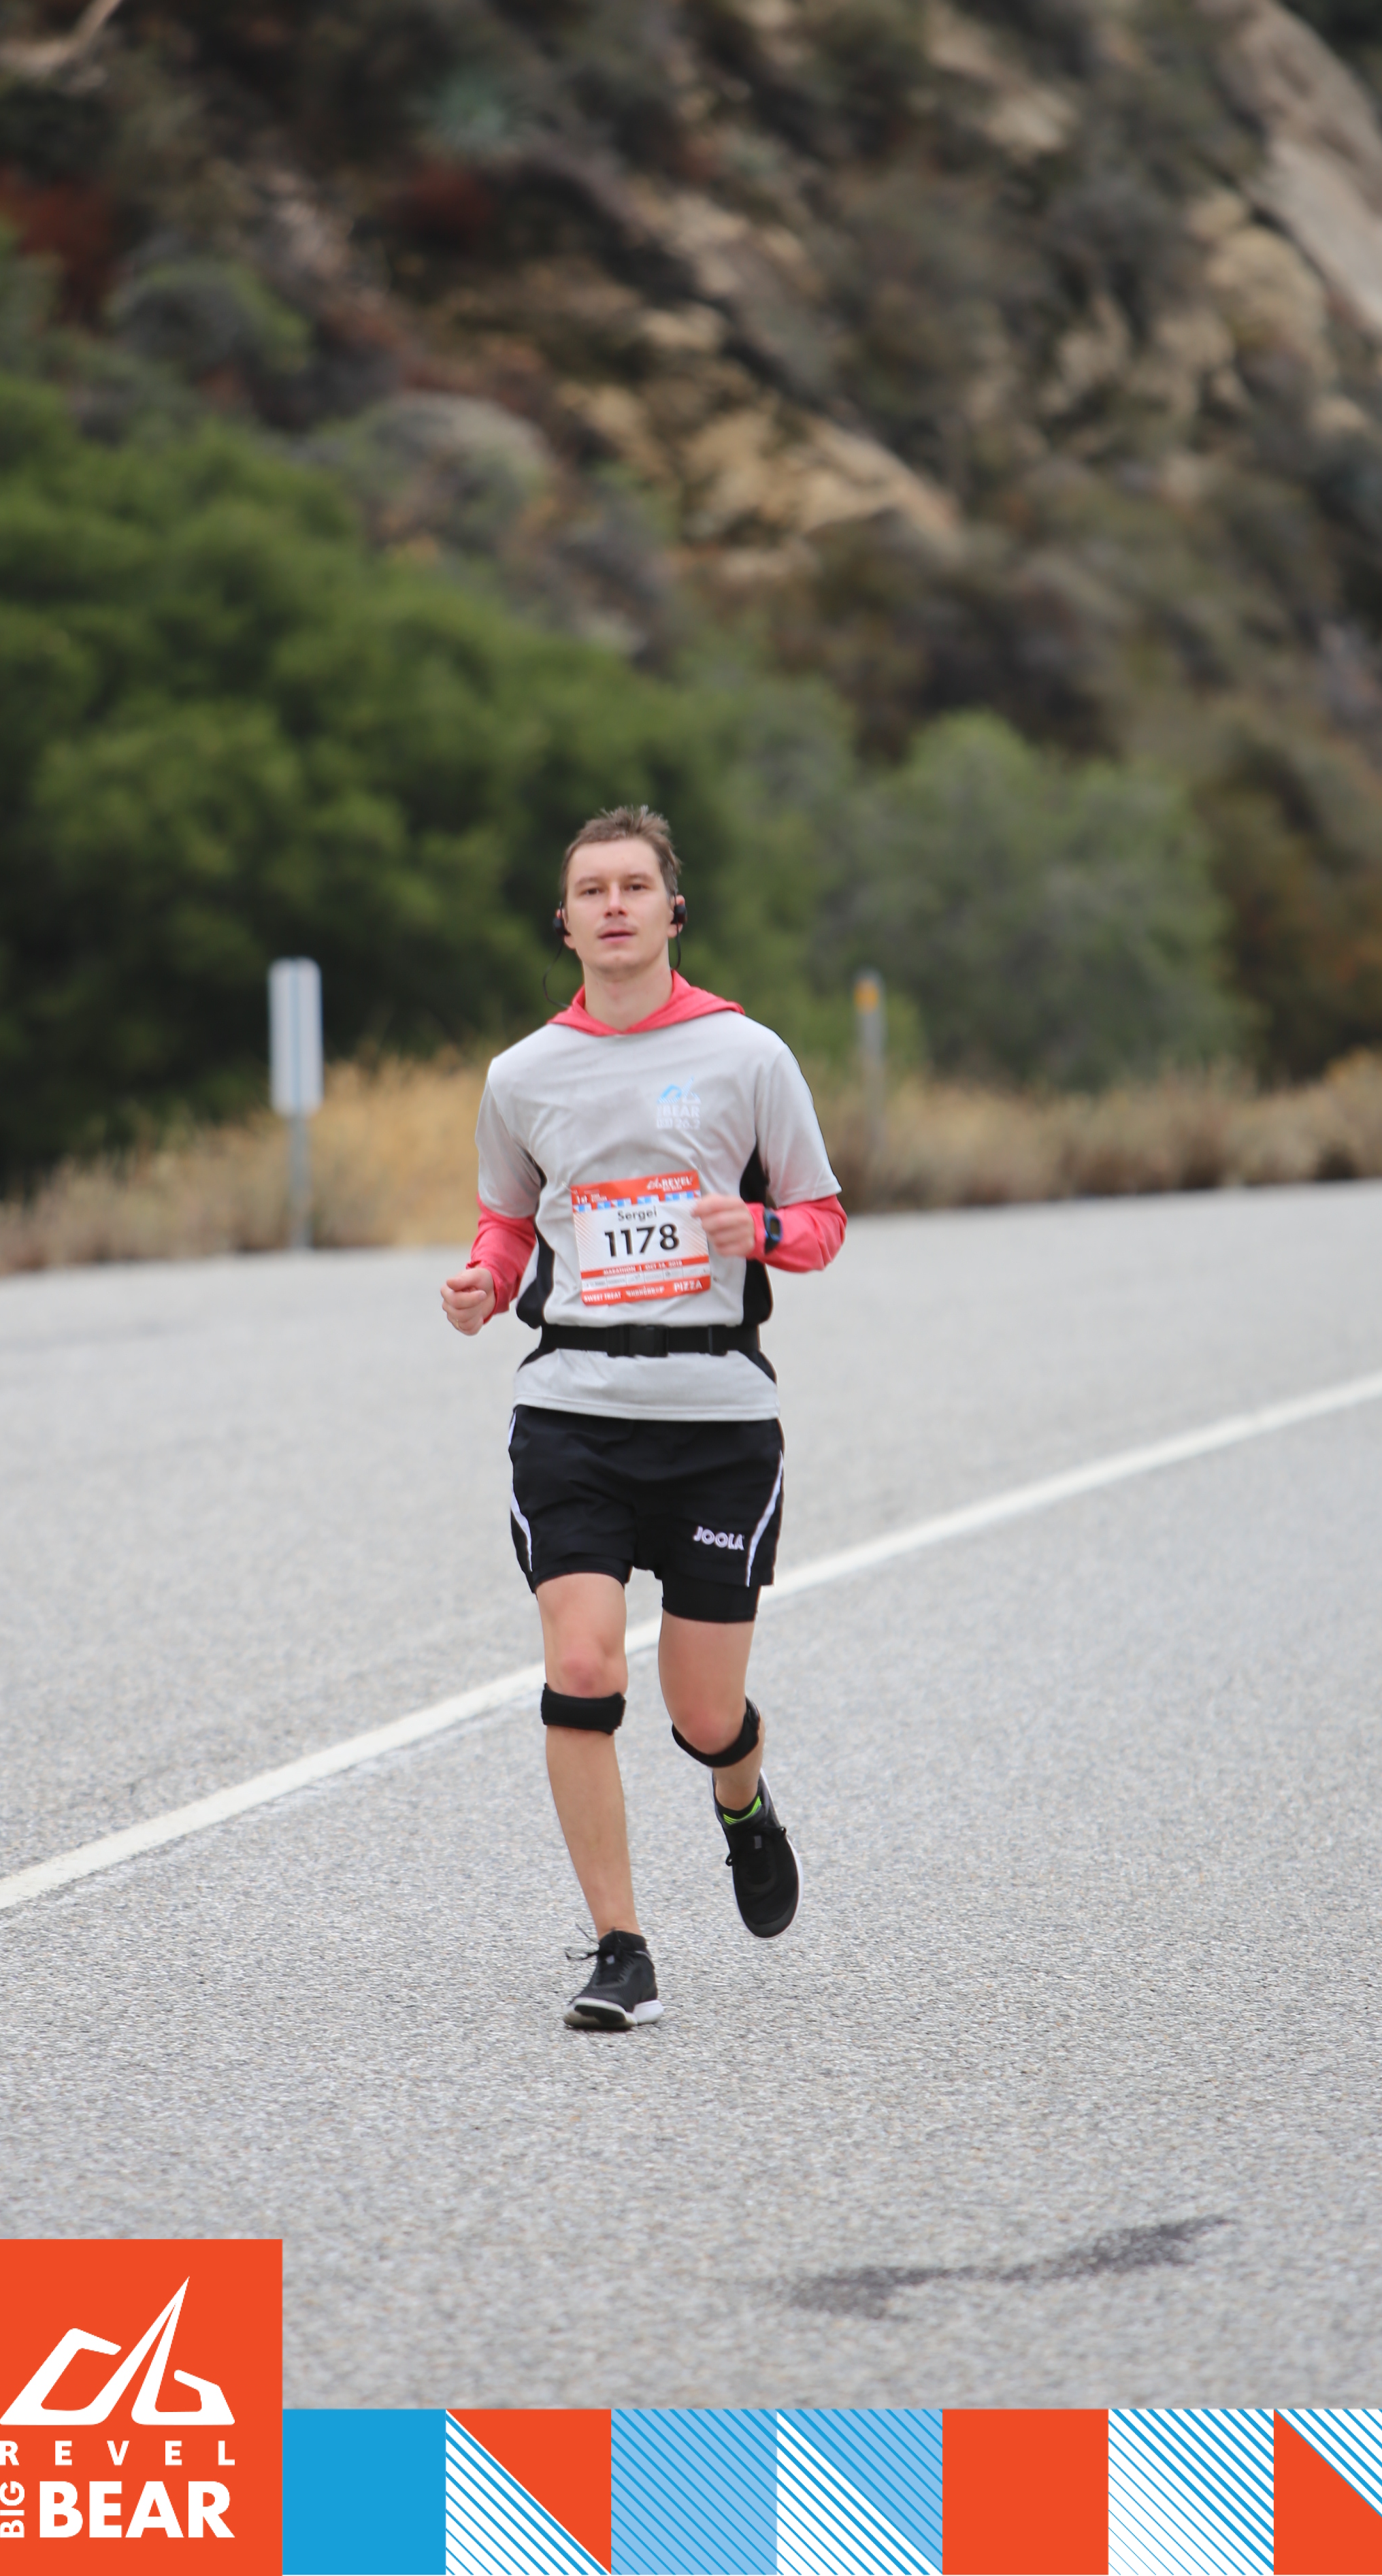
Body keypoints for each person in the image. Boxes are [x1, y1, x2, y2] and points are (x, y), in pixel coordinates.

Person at [440, 806, 846, 2029]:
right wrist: (483, 1281)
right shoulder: (522, 1075)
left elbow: (822, 1220)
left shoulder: (748, 1055)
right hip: (572, 1409)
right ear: (563, 923)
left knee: (704, 1712)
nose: (613, 905)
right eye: (590, 890)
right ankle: (621, 1948)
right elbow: (509, 1220)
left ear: (674, 910)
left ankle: (743, 1800)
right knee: (581, 1664)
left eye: (634, 885)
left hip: (718, 1419)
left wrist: (757, 1227)